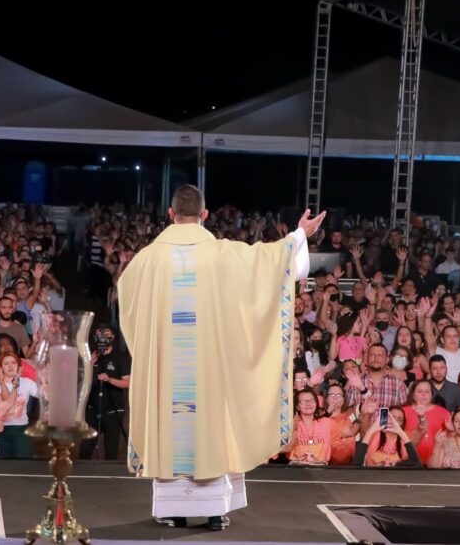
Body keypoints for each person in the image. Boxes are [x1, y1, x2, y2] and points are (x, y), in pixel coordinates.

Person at [117, 185, 323, 530]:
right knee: (211, 427)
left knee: (173, 430)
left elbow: (127, 302)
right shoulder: (223, 254)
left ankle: (172, 509)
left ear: (170, 214)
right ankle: (213, 511)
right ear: (205, 214)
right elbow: (269, 263)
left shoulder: (148, 259)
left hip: (169, 372)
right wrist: (299, 235)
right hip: (209, 371)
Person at [81, 324, 131, 460]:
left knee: (111, 452)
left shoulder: (121, 357)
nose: (102, 337)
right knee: (84, 450)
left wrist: (109, 379)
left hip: (113, 412)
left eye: (105, 334)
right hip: (92, 410)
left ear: (112, 337)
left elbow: (128, 383)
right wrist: (90, 364)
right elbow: (81, 382)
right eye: (99, 334)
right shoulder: (92, 356)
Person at [0, 352, 39, 458]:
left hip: (21, 429)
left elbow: (43, 395)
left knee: (24, 463)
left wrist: (46, 380)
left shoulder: (27, 382)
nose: (10, 366)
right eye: (6, 363)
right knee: (3, 465)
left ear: (18, 366)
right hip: (0, 429)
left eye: (13, 362)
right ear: (0, 368)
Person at [352, 404, 421, 467]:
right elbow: (356, 465)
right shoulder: (374, 434)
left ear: (402, 424)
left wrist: (400, 432)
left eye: (399, 419)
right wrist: (372, 429)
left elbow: (417, 466)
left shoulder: (405, 438)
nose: (395, 421)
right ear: (385, 417)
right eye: (392, 417)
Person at [284, 388, 331, 465]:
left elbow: (349, 432)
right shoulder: (290, 423)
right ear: (297, 406)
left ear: (316, 403)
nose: (308, 404)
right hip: (295, 468)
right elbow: (285, 448)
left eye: (311, 401)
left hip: (321, 469)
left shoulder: (327, 422)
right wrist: (294, 430)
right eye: (304, 402)